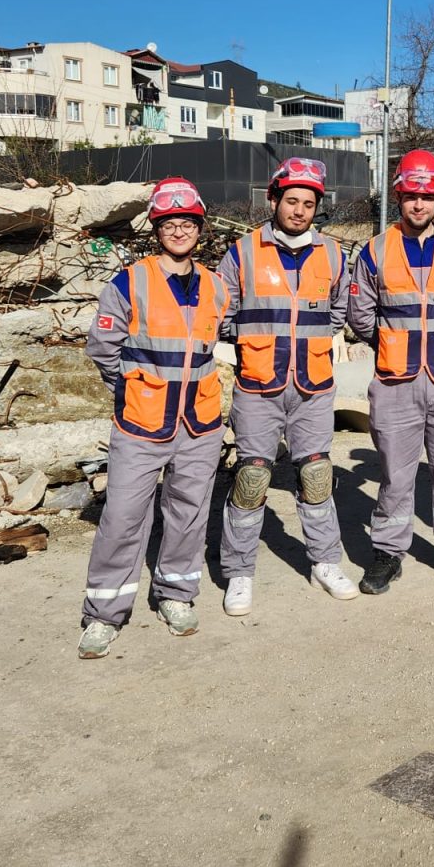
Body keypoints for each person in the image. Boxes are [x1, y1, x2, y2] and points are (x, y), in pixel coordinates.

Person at [78, 177, 229, 658]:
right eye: (169, 223)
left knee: (189, 514)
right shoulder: (129, 282)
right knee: (123, 517)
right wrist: (130, 390)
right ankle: (103, 613)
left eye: (187, 223)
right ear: (157, 228)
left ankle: (176, 594)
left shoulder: (216, 286)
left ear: (199, 228)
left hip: (199, 423)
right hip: (141, 423)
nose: (179, 231)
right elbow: (102, 348)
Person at [217, 156, 358, 614]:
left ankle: (325, 562)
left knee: (316, 475)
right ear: (274, 200)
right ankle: (239, 572)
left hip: (313, 385)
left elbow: (338, 313)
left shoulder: (332, 254)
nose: (299, 210)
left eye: (308, 204)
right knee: (252, 477)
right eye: (292, 201)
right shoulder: (242, 253)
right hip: (259, 384)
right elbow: (222, 314)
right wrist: (254, 347)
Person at [347, 149, 434, 593]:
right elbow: (361, 316)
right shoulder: (375, 251)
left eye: (426, 196)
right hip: (396, 382)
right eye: (411, 196)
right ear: (399, 197)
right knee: (395, 474)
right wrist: (393, 343)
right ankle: (388, 553)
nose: (419, 204)